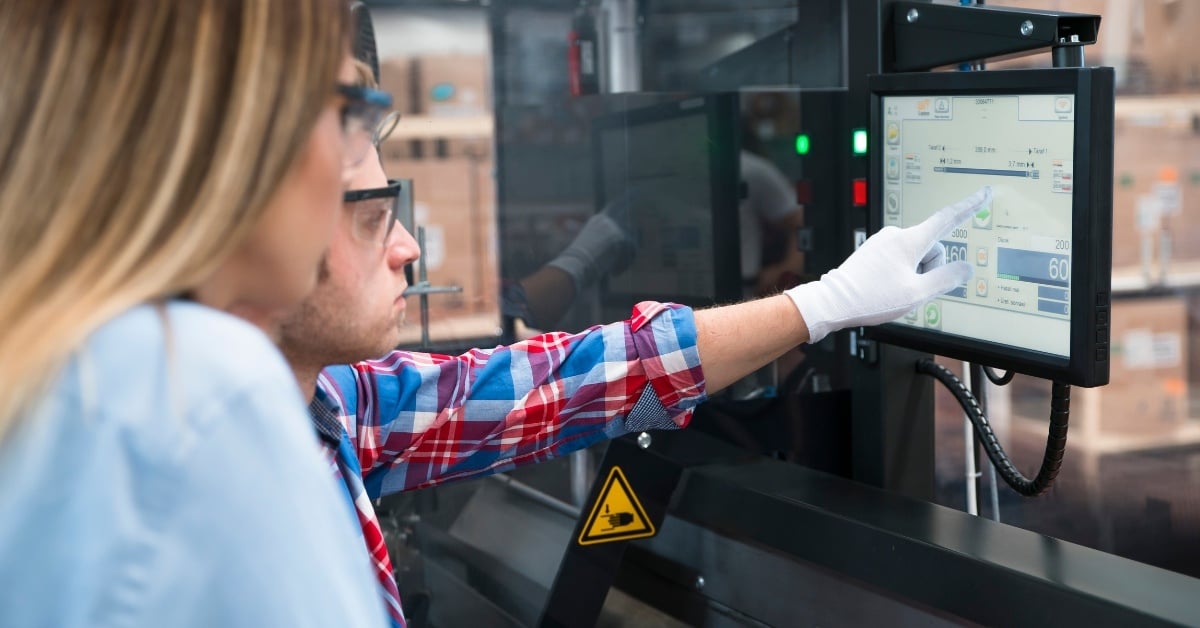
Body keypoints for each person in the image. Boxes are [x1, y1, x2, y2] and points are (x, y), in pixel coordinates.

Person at [277, 61, 992, 622]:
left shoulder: (341, 405)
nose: (406, 246)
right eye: (373, 219)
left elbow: (563, 385)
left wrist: (824, 302)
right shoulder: (232, 500)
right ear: (257, 239)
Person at [0, 2, 393, 626]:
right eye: (346, 114)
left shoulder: (57, 361)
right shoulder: (198, 385)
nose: (346, 157)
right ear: (236, 135)